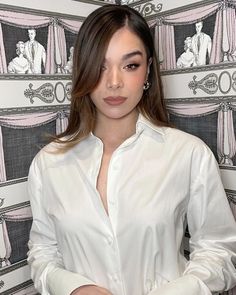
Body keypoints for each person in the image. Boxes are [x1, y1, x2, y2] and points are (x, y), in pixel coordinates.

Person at [27, 5, 236, 295]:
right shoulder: (47, 163)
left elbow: (220, 252)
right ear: (82, 70)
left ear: (148, 69)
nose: (114, 82)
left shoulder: (189, 154)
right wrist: (75, 288)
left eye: (130, 65)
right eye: (100, 66)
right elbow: (43, 252)